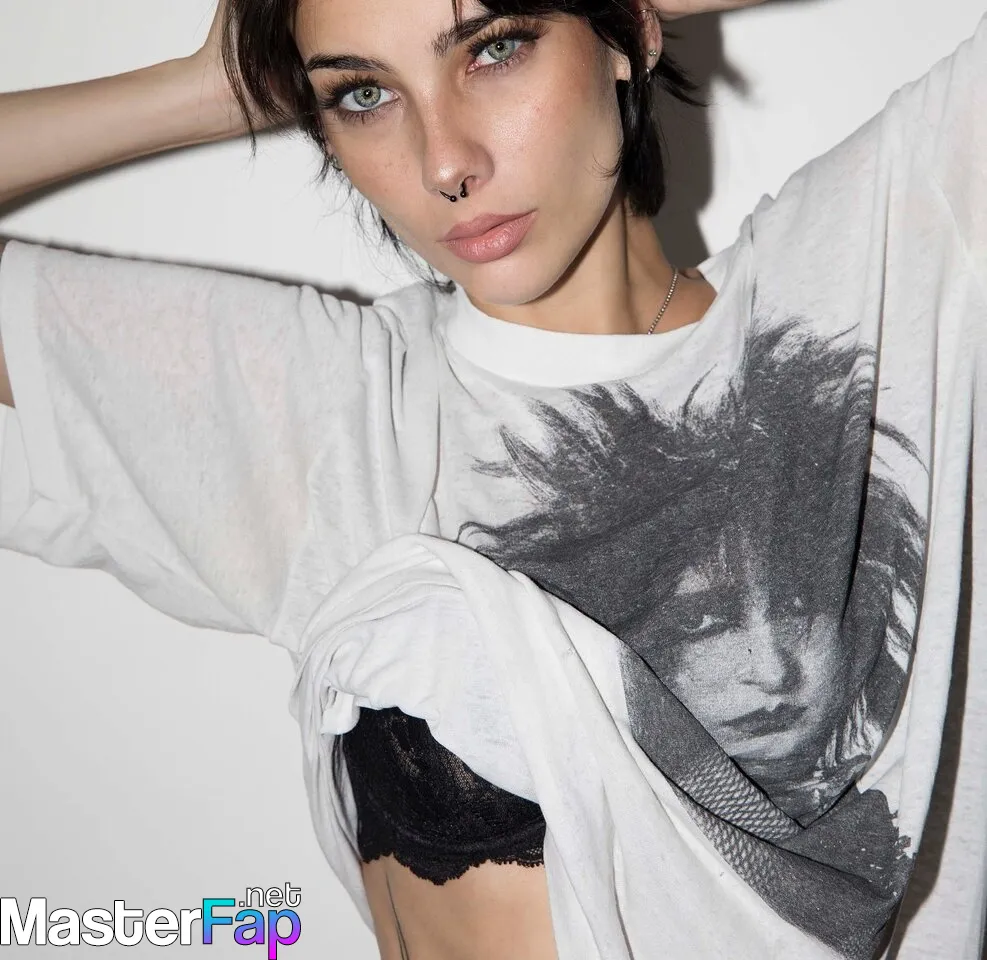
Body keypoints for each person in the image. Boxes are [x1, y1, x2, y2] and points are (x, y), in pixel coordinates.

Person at [0, 0, 984, 957]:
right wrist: (216, 86)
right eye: (362, 94)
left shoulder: (877, 265)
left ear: (626, 39)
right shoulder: (344, 413)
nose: (445, 163)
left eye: (494, 49)